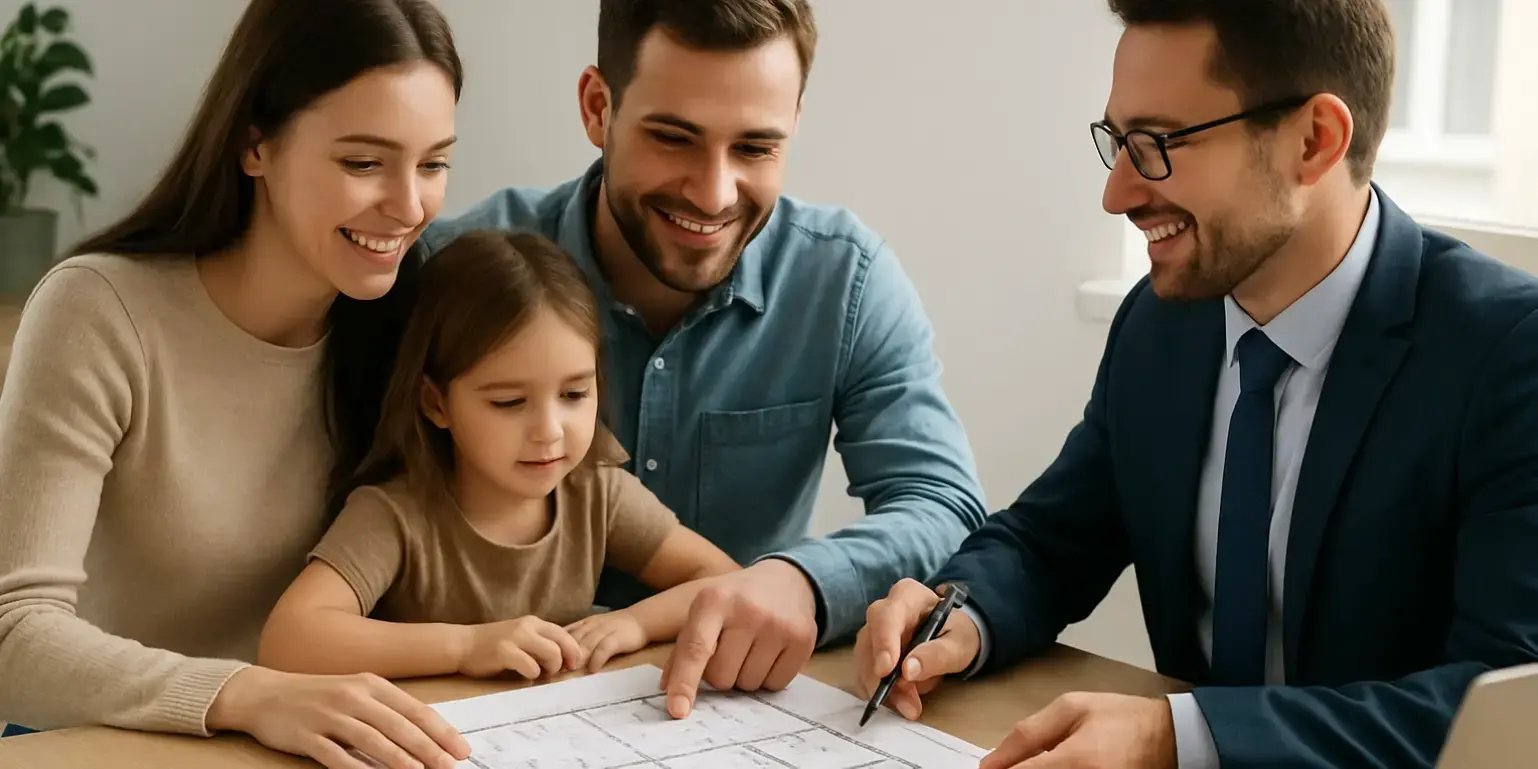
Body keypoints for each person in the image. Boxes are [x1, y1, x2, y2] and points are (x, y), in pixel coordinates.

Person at [854, 1, 1538, 768]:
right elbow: (1055, 539)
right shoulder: (1163, 322)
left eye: (1156, 144)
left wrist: (1175, 734)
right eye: (1117, 140)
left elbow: (1503, 710)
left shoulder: (1509, 355)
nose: (1116, 193)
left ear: (1315, 142)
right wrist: (962, 616)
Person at [419, 0, 988, 720]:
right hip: (473, 716)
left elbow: (944, 505)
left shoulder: (843, 281)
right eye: (674, 138)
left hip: (728, 715)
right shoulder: (449, 274)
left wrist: (803, 581)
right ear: (599, 108)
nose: (714, 193)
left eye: (755, 148)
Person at [0, 2, 477, 768]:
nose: (410, 204)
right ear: (255, 144)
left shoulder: (408, 321)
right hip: (104, 740)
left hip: (309, 737)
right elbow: (14, 633)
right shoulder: (99, 311)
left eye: (434, 163)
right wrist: (250, 694)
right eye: (363, 163)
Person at [258, 229, 740, 681]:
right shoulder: (394, 515)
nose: (549, 432)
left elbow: (724, 581)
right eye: (509, 402)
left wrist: (637, 623)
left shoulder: (597, 493)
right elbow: (290, 639)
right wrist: (466, 648)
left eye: (574, 394)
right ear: (436, 402)